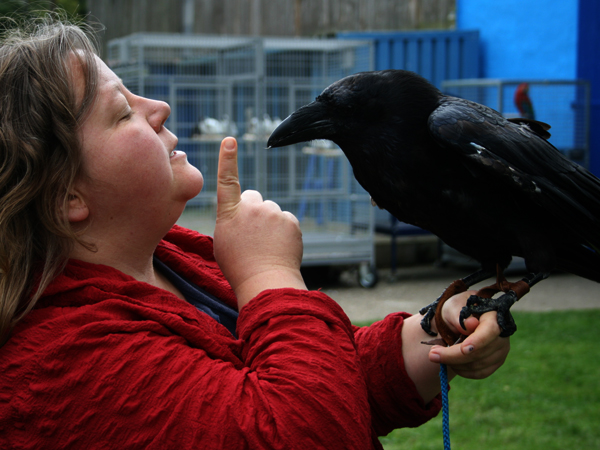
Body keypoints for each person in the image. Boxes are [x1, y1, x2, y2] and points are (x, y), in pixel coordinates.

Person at [0, 16, 510, 449]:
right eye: (121, 111)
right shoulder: (61, 362)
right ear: (68, 196)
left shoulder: (174, 258)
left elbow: (322, 372)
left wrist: (435, 332)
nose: (158, 107)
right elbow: (304, 430)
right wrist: (269, 275)